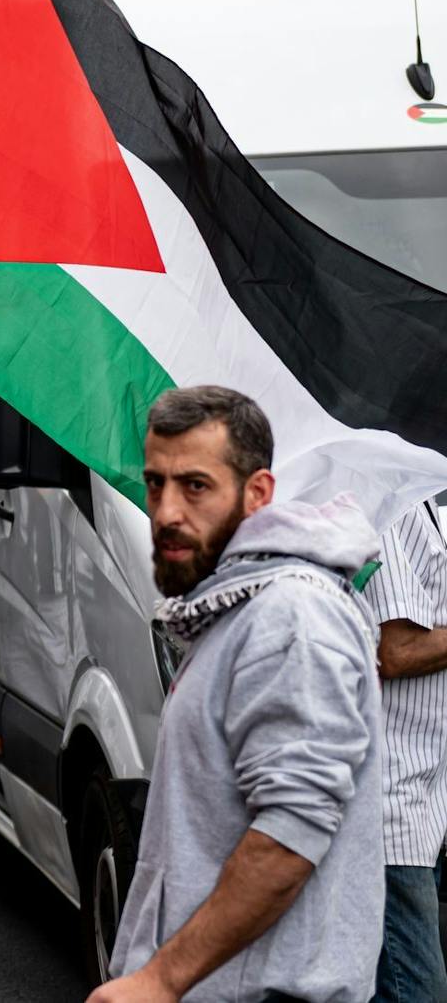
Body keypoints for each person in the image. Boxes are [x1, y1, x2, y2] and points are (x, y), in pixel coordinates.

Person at [94, 386, 382, 1003]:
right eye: (155, 484)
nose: (166, 511)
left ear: (258, 493)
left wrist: (161, 979)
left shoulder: (291, 618)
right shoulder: (245, 605)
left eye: (195, 486)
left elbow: (290, 833)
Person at [362, 500, 447, 1002]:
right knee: (416, 990)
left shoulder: (424, 499)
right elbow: (394, 650)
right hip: (389, 806)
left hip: (422, 800)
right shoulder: (385, 502)